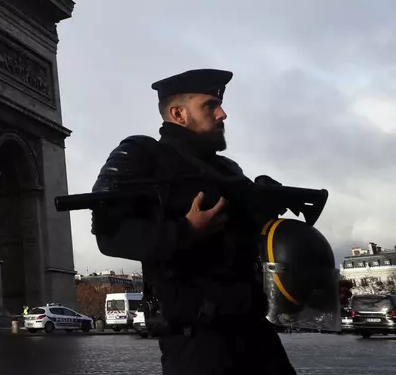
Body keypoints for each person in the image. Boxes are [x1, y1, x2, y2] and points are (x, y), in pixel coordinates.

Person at [90, 68, 296, 375]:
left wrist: (264, 208)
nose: (222, 114)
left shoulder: (229, 169)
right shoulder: (141, 155)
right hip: (197, 343)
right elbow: (109, 235)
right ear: (178, 113)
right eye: (210, 105)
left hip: (257, 335)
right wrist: (185, 231)